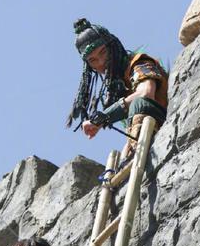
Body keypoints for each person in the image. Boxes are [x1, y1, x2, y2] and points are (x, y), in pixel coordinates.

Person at [66, 18, 168, 163]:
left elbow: (146, 93)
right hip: (147, 130)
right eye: (93, 60)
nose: (101, 62)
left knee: (139, 104)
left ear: (112, 46)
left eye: (103, 52)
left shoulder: (139, 63)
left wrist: (104, 117)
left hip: (166, 119)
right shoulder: (119, 85)